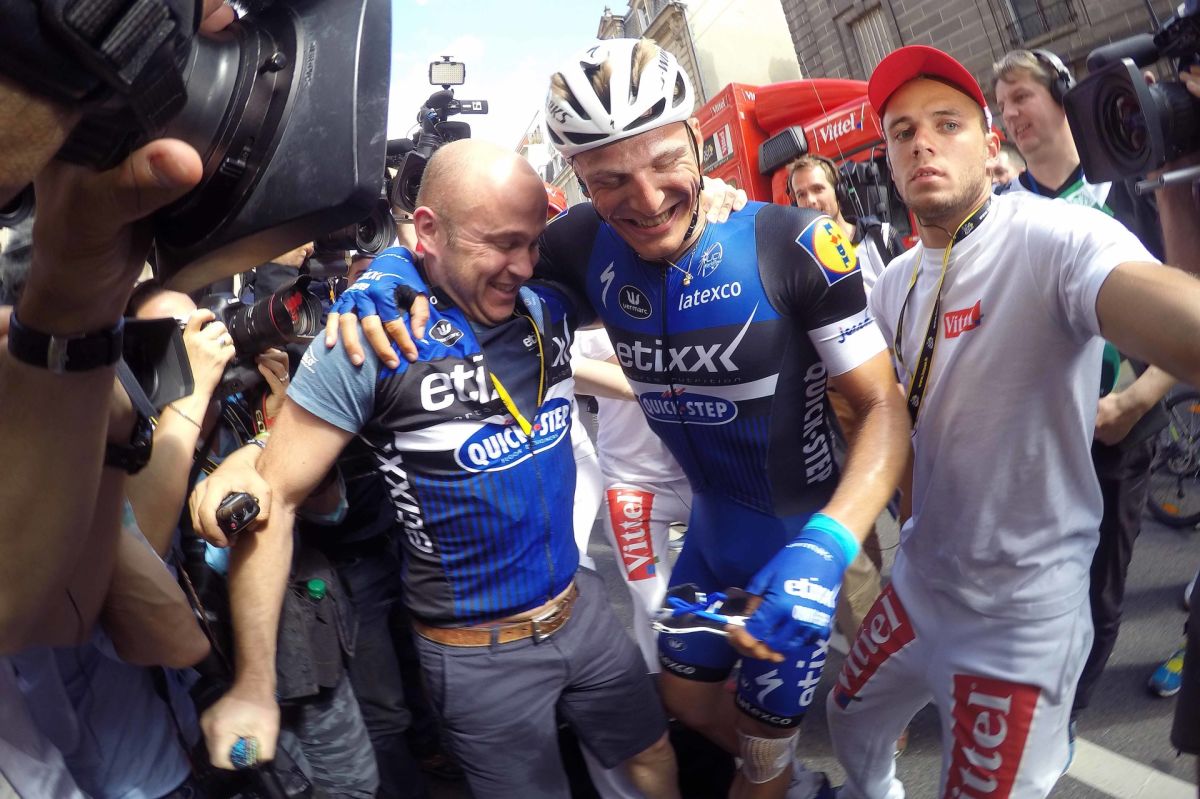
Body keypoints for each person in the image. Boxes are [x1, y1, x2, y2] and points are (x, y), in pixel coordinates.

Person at [329, 37, 910, 799]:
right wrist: (388, 269)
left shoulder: (793, 242)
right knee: (686, 704)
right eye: (609, 179)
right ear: (578, 180)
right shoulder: (581, 244)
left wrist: (831, 545)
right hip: (707, 540)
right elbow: (469, 256)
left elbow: (881, 405)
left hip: (797, 544)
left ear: (697, 139)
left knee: (757, 774)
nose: (645, 198)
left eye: (665, 161)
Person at [196, 138, 680, 799]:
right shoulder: (372, 336)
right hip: (479, 654)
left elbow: (654, 234)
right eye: (502, 244)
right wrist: (255, 687)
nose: (523, 265)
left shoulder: (545, 302)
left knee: (652, 753)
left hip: (582, 609)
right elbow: (273, 498)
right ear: (428, 230)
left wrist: (713, 206)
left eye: (532, 243)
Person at [825, 44, 1200, 799]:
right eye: (902, 132)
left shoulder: (1053, 238)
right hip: (919, 585)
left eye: (947, 123)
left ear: (989, 143)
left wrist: (1177, 181)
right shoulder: (892, 284)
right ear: (889, 163)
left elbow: (1177, 321)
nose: (923, 143)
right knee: (848, 721)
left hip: (1018, 619)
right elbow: (896, 420)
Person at [993, 47, 1175, 728]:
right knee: (1038, 584)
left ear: (1063, 95)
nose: (1011, 114)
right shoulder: (1002, 212)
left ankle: (1063, 717)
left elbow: (1186, 301)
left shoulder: (1126, 190)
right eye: (1002, 104)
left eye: (1022, 96)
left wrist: (1135, 399)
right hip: (1040, 441)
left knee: (1099, 590)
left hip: (1122, 433)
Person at [786, 153, 905, 295]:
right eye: (801, 195)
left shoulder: (883, 236)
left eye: (817, 189)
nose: (810, 200)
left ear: (839, 191)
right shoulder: (804, 264)